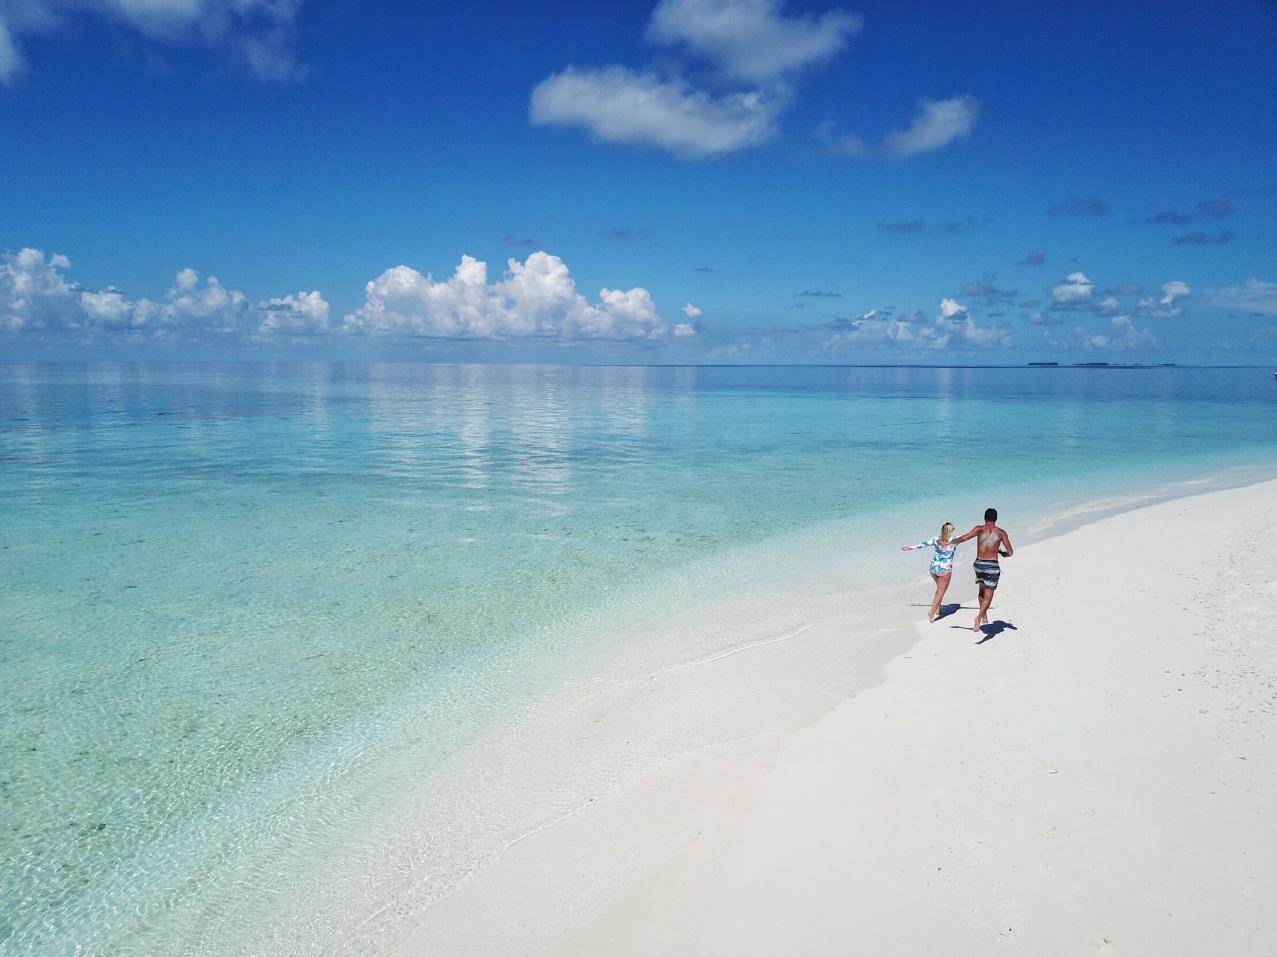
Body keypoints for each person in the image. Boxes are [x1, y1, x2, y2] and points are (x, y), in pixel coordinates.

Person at [951, 508, 1014, 632]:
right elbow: (1010, 552)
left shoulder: (979, 529)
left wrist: (952, 542)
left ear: (984, 518)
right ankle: (979, 617)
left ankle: (984, 615)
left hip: (979, 564)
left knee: (981, 591)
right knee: (989, 594)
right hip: (992, 566)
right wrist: (1003, 553)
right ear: (996, 519)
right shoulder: (1001, 533)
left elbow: (964, 538)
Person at [901, 522, 959, 622]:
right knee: (941, 591)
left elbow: (923, 544)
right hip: (944, 570)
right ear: (950, 531)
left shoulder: (935, 539)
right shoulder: (955, 540)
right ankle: (932, 612)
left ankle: (938, 609)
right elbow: (969, 536)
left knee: (939, 589)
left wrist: (910, 547)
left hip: (933, 568)